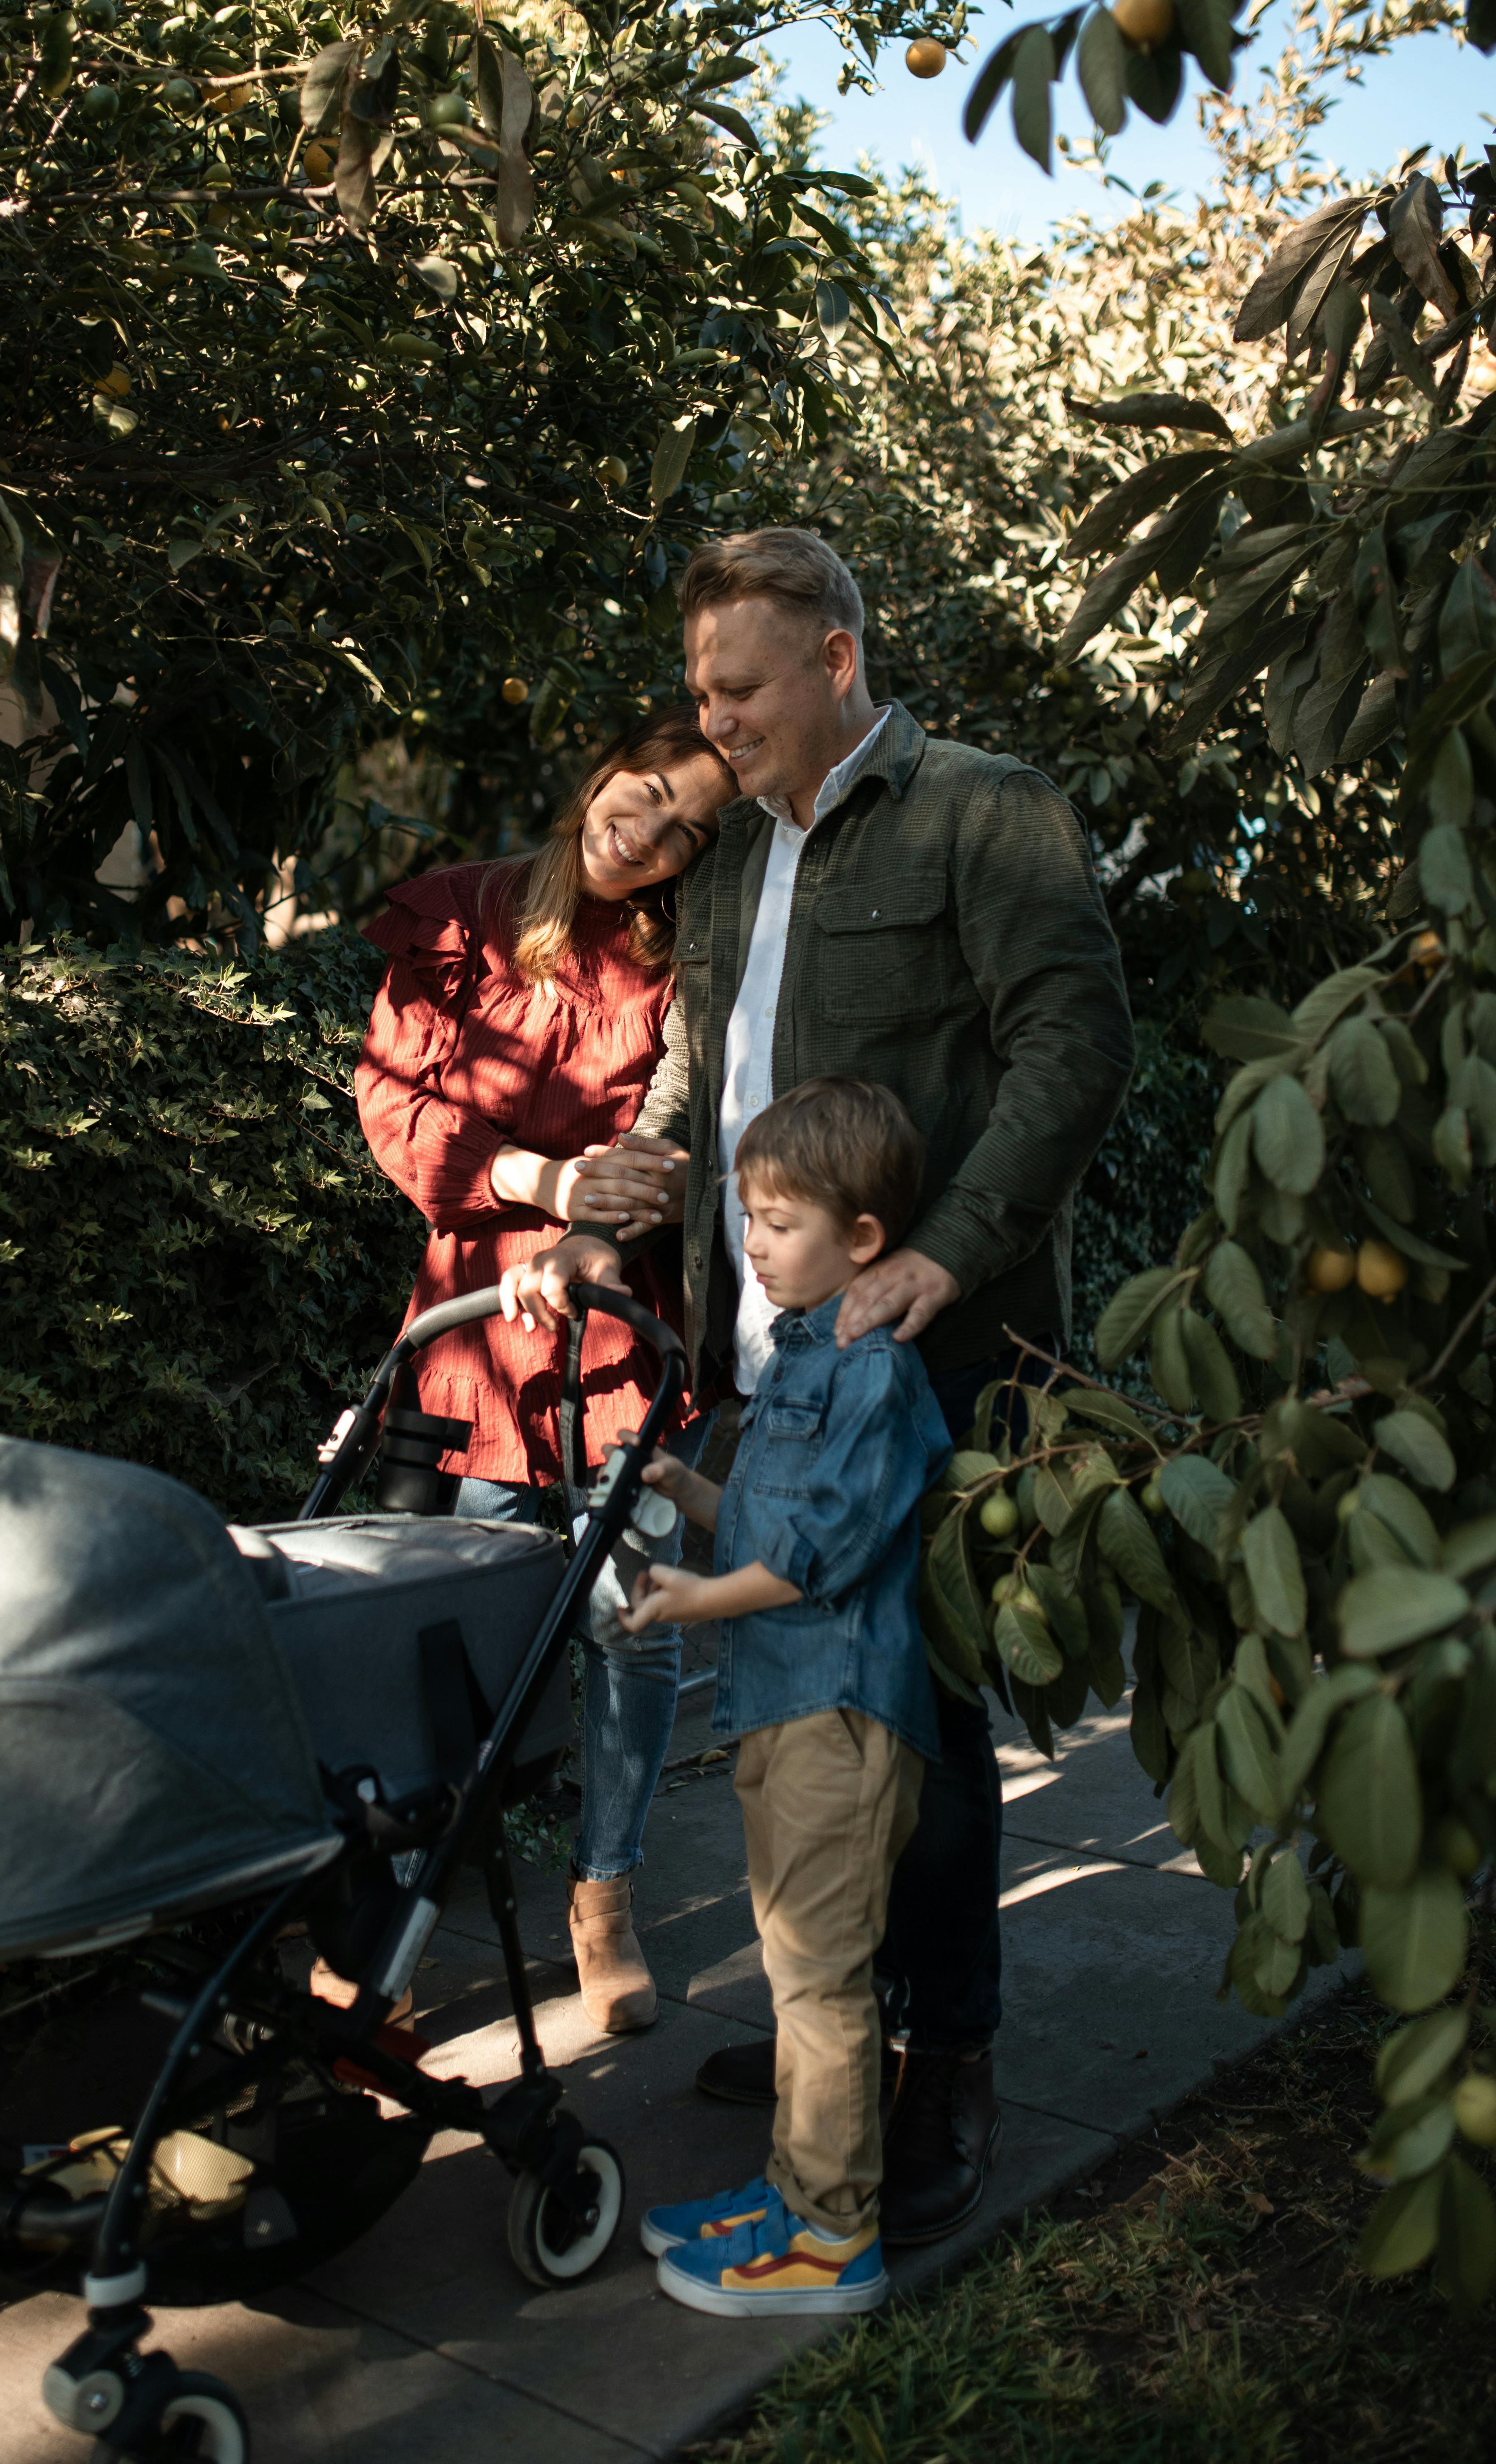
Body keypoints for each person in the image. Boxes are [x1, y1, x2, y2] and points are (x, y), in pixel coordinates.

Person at [506, 525, 1135, 2245]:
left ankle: (952, 2065)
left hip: (922, 1361)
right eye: (698, 689)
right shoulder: (726, 856)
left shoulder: (978, 808)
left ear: (839, 661)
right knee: (797, 1712)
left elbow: (1075, 1040)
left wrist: (943, 1243)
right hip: (764, 1360)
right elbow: (702, 1074)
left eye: (739, 688)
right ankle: (828, 2044)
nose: (710, 721)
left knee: (908, 1732)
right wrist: (637, 1178)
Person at [355, 704, 736, 2035]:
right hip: (475, 1329)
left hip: (614, 1324)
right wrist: (540, 1176)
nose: (647, 832)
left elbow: (674, 1136)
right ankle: (393, 1930)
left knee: (628, 1627)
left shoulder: (680, 968)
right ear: (604, 768)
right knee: (446, 1646)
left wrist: (596, 1214)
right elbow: (396, 1107)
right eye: (644, 791)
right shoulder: (459, 913)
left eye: (685, 829)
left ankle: (606, 1891)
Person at [622, 1074, 949, 2315]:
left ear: (862, 1240)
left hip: (838, 1713)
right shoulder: (803, 1357)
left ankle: (828, 2237)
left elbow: (822, 1549)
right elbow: (772, 1518)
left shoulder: (870, 1374)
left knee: (821, 1983)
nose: (749, 1242)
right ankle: (792, 2186)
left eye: (776, 1219)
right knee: (796, 1967)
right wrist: (689, 1491)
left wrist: (690, 1602)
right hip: (779, 1707)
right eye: (745, 1216)